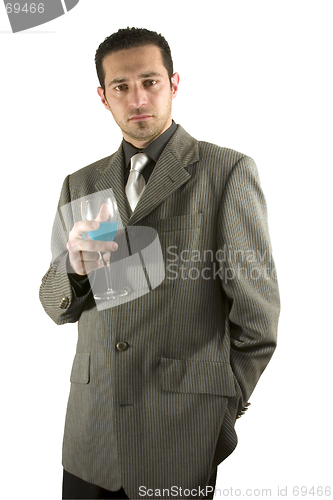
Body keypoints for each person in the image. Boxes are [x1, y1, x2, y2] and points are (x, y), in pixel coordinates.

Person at [40, 27, 280, 500]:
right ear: (103, 97)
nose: (137, 98)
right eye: (121, 87)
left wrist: (218, 408)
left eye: (150, 82)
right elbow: (55, 304)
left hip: (180, 436)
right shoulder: (81, 183)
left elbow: (257, 320)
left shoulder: (226, 172)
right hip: (92, 436)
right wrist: (74, 270)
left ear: (173, 83)